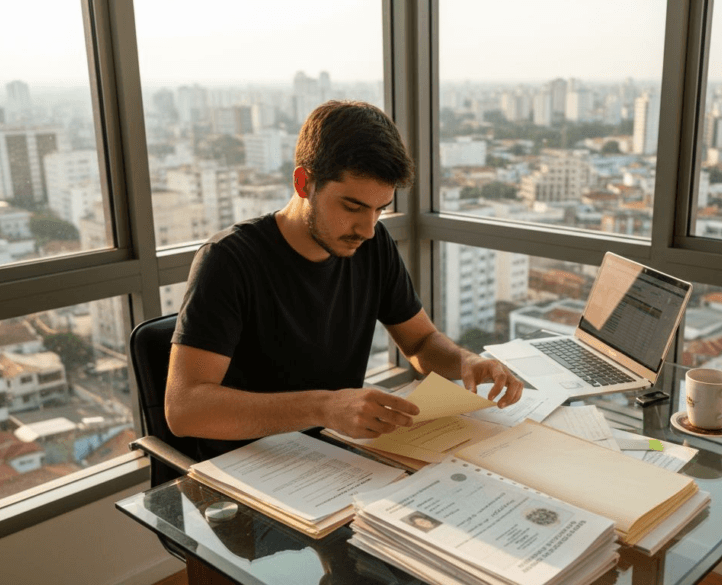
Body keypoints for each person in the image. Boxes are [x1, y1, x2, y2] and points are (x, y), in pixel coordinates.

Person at [166, 100, 522, 460]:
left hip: (339, 454)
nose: (367, 230)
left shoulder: (373, 245)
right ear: (304, 182)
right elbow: (184, 410)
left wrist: (463, 362)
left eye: (380, 209)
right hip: (249, 467)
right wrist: (323, 408)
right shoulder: (228, 261)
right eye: (352, 207)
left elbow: (421, 344)